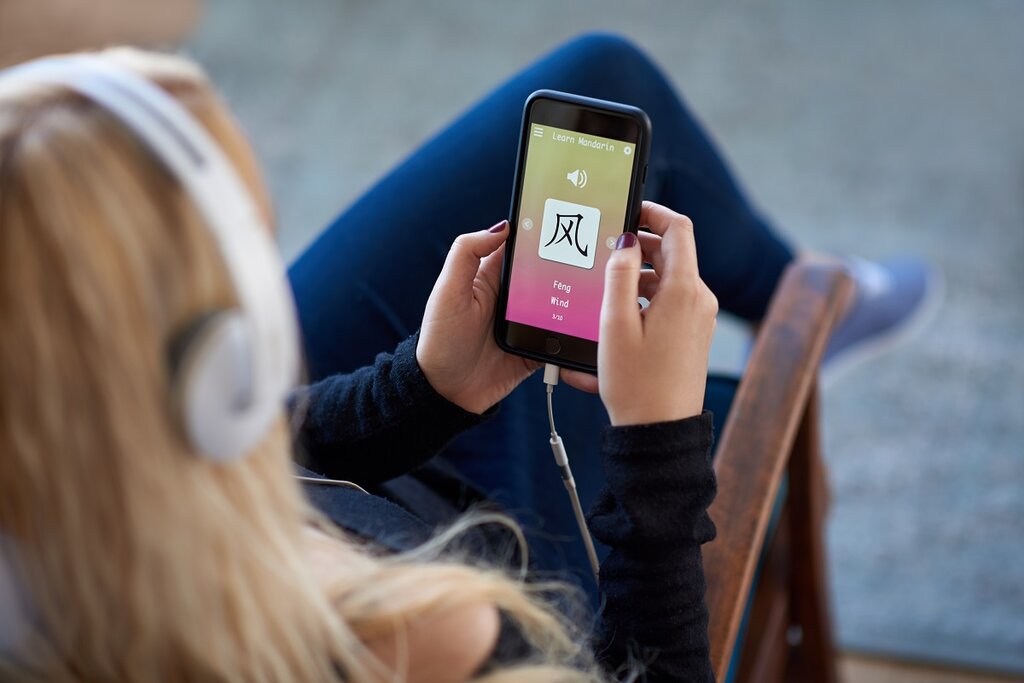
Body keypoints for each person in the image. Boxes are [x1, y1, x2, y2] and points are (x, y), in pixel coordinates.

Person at [0, 34, 933, 683]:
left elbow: (257, 454)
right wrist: (657, 440)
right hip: (471, 545)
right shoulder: (421, 638)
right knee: (590, 181)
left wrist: (419, 390)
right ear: (216, 376)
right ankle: (812, 301)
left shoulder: (54, 503)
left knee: (593, 93)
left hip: (330, 484)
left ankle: (795, 288)